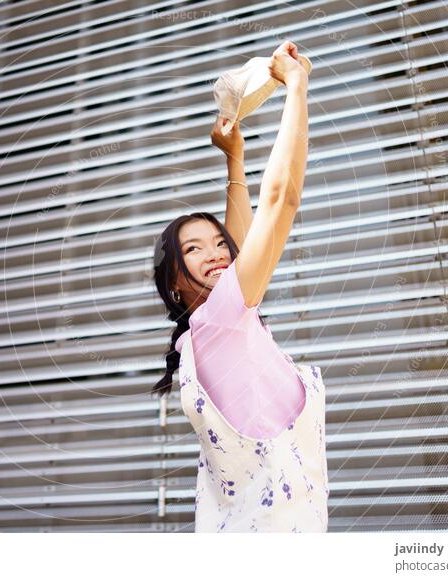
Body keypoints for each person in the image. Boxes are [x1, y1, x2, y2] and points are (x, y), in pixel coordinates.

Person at [151, 41, 329, 532]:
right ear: (173, 287)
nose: (215, 253)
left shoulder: (206, 334)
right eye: (192, 249)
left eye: (217, 245)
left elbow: (240, 242)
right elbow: (282, 200)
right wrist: (295, 86)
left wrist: (235, 158)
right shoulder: (220, 319)